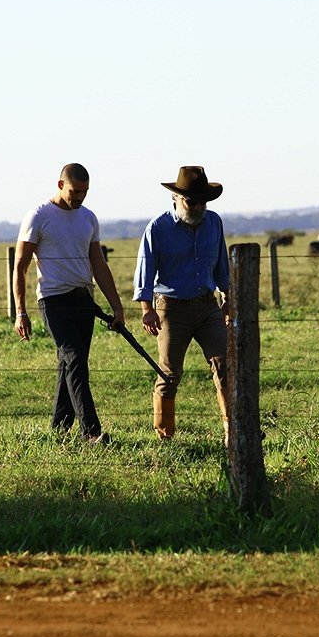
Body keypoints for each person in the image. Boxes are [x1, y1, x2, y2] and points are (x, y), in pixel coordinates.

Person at [13, 163, 124, 443]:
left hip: (83, 301)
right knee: (75, 360)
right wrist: (20, 312)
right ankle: (91, 432)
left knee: (70, 365)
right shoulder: (38, 216)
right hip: (53, 300)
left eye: (85, 192)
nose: (79, 198)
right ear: (61, 184)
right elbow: (20, 267)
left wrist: (117, 306)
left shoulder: (88, 218)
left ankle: (59, 431)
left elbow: (98, 265)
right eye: (75, 191)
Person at [133, 165, 230, 441]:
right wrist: (147, 309)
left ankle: (231, 430)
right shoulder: (158, 228)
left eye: (202, 201)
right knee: (169, 372)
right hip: (171, 308)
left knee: (224, 363)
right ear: (176, 198)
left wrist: (227, 296)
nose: (198, 206)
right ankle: (166, 435)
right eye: (191, 201)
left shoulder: (214, 222)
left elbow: (222, 263)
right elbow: (145, 271)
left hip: (208, 305)